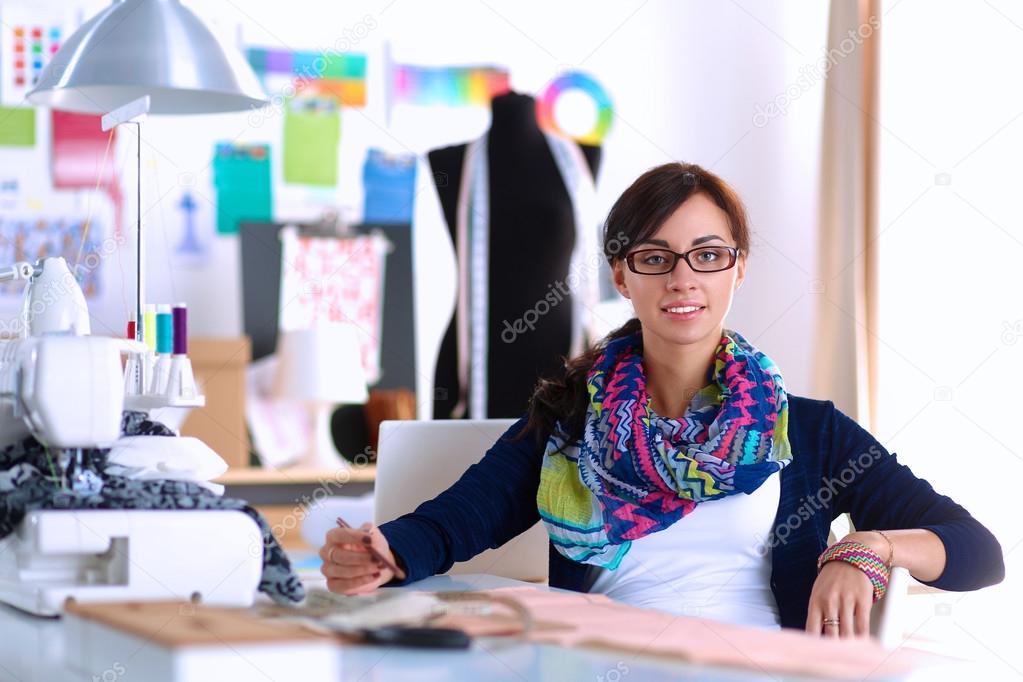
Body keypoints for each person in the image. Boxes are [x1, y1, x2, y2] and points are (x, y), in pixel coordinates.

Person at [318, 163, 1004, 638]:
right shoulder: (570, 420)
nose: (683, 278)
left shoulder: (810, 430)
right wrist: (384, 550)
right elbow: (454, 522)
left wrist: (869, 548)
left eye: (707, 254)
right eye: (655, 256)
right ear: (621, 273)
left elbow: (978, 553)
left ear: (738, 267)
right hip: (601, 662)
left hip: (762, 665)